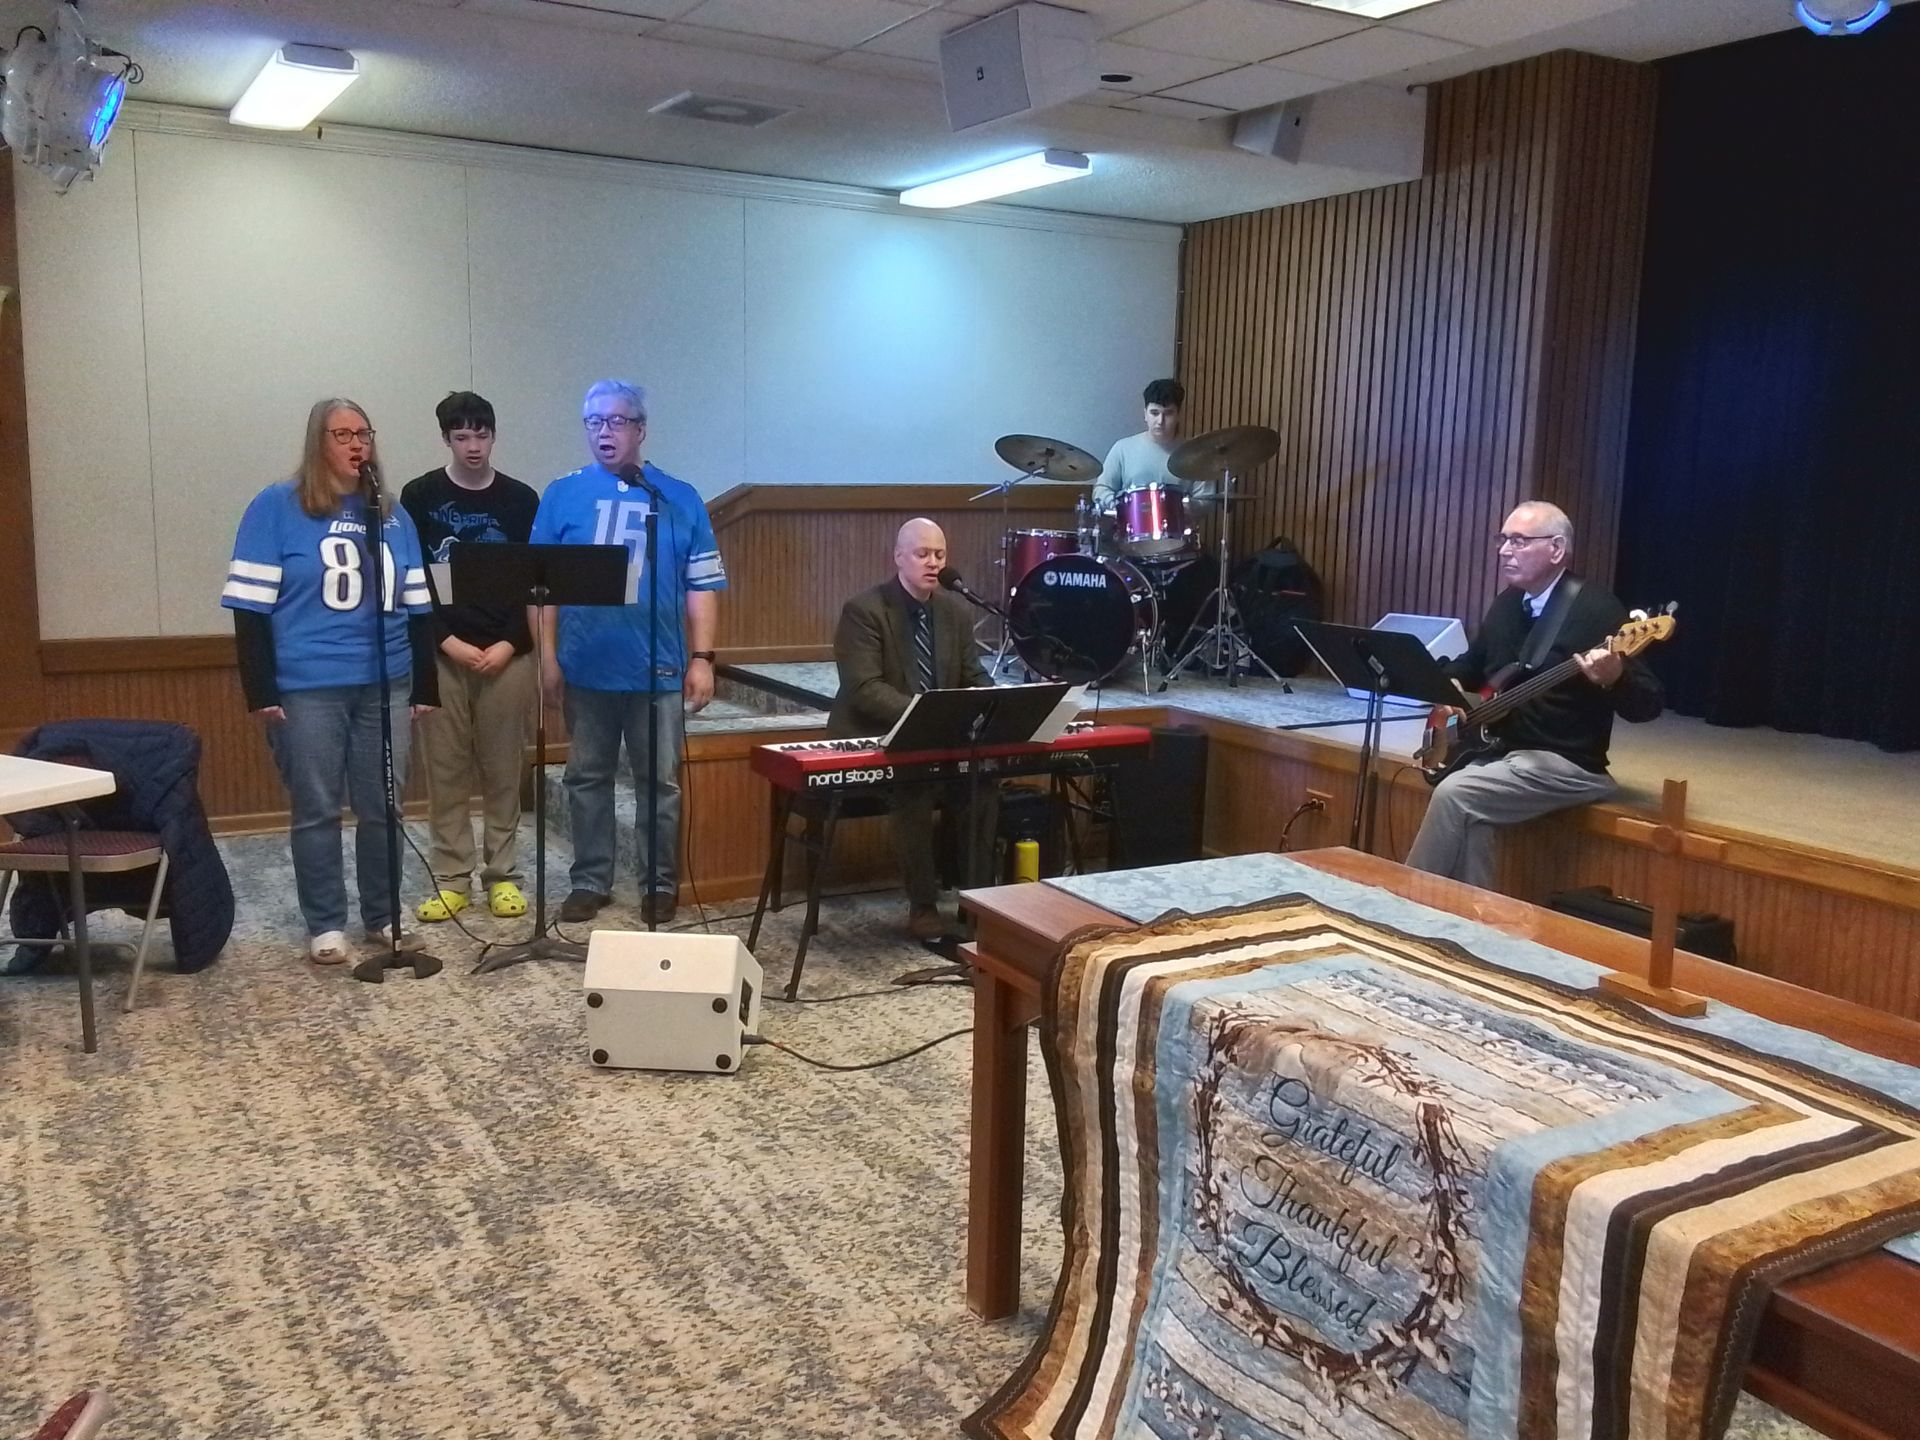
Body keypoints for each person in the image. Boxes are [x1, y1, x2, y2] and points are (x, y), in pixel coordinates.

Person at [223, 399, 439, 964]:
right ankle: (324, 922)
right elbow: (248, 609)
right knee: (317, 807)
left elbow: (420, 608)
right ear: (318, 443)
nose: (356, 444)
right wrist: (261, 690)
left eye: (363, 433)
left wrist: (425, 687)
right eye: (342, 434)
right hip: (307, 683)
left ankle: (383, 915)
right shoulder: (276, 507)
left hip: (385, 682)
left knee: (383, 805)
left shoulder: (392, 514)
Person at [531, 380, 725, 927]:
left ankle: (659, 883)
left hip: (658, 669)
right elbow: (540, 589)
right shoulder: (561, 495)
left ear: (640, 429)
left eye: (616, 421)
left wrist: (702, 658)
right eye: (594, 422)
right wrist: (547, 658)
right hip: (586, 666)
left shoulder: (676, 496)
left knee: (657, 784)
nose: (604, 432)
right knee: (585, 777)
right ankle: (590, 879)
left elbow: (701, 584)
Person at [1404, 500, 1664, 890]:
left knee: (1455, 793)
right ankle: (1473, 922)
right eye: (1504, 539)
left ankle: (1403, 902)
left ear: (1557, 549)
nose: (1504, 550)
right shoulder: (1509, 602)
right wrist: (1452, 685)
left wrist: (1615, 677)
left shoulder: (1595, 608)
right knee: (1473, 818)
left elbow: (1648, 703)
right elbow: (1470, 663)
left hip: (1567, 763)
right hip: (1503, 751)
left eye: (1519, 541)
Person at [400, 391, 540, 926]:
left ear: (494, 436)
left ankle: (502, 874)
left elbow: (533, 582)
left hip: (509, 652)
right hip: (445, 652)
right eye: (462, 436)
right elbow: (413, 584)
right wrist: (447, 642)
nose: (473, 446)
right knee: (447, 770)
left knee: (504, 768)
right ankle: (452, 877)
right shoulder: (420, 496)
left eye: (482, 435)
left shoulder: (522, 499)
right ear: (446, 439)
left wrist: (508, 644)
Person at [829, 519, 997, 940]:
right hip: (878, 738)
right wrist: (928, 720)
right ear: (899, 557)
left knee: (983, 782)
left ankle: (976, 901)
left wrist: (994, 703)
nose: (933, 563)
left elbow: (973, 675)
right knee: (914, 785)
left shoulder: (955, 610)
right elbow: (865, 689)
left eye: (939, 554)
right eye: (922, 554)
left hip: (940, 739)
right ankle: (922, 904)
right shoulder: (865, 610)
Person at [1091, 377, 1210, 511]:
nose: (1160, 421)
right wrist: (1120, 507)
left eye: (1168, 413)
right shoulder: (1122, 449)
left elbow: (1206, 499)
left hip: (1177, 527)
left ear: (1179, 415)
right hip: (1130, 528)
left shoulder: (1196, 454)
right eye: (1154, 413)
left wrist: (1188, 507)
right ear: (1145, 414)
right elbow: (1101, 489)